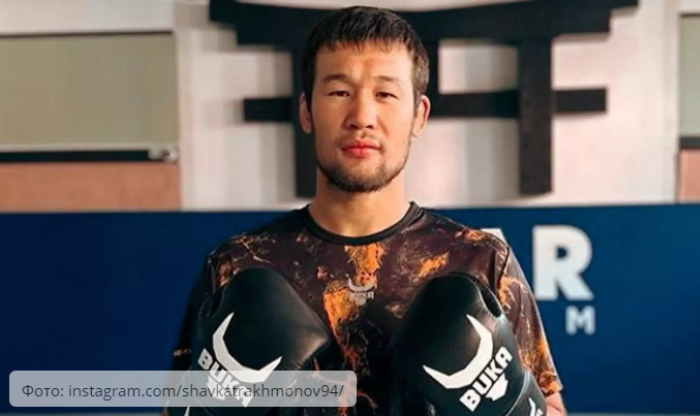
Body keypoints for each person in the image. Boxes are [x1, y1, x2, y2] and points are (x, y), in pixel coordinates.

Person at [170, 5, 566, 416]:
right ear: (306, 111)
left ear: (419, 115)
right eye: (339, 92)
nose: (361, 117)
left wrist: (507, 404)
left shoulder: (481, 261)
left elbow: (552, 409)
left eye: (385, 94)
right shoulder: (238, 265)